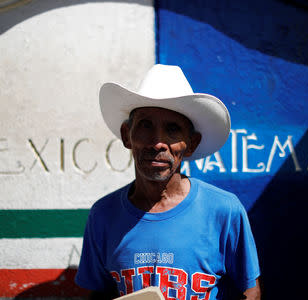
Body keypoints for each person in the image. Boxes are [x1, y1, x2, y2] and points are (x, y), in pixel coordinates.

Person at [75, 64, 261, 300]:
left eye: (172, 129)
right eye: (145, 125)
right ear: (126, 135)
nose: (157, 142)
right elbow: (98, 293)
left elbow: (250, 291)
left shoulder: (224, 210)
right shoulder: (103, 215)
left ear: (191, 144)